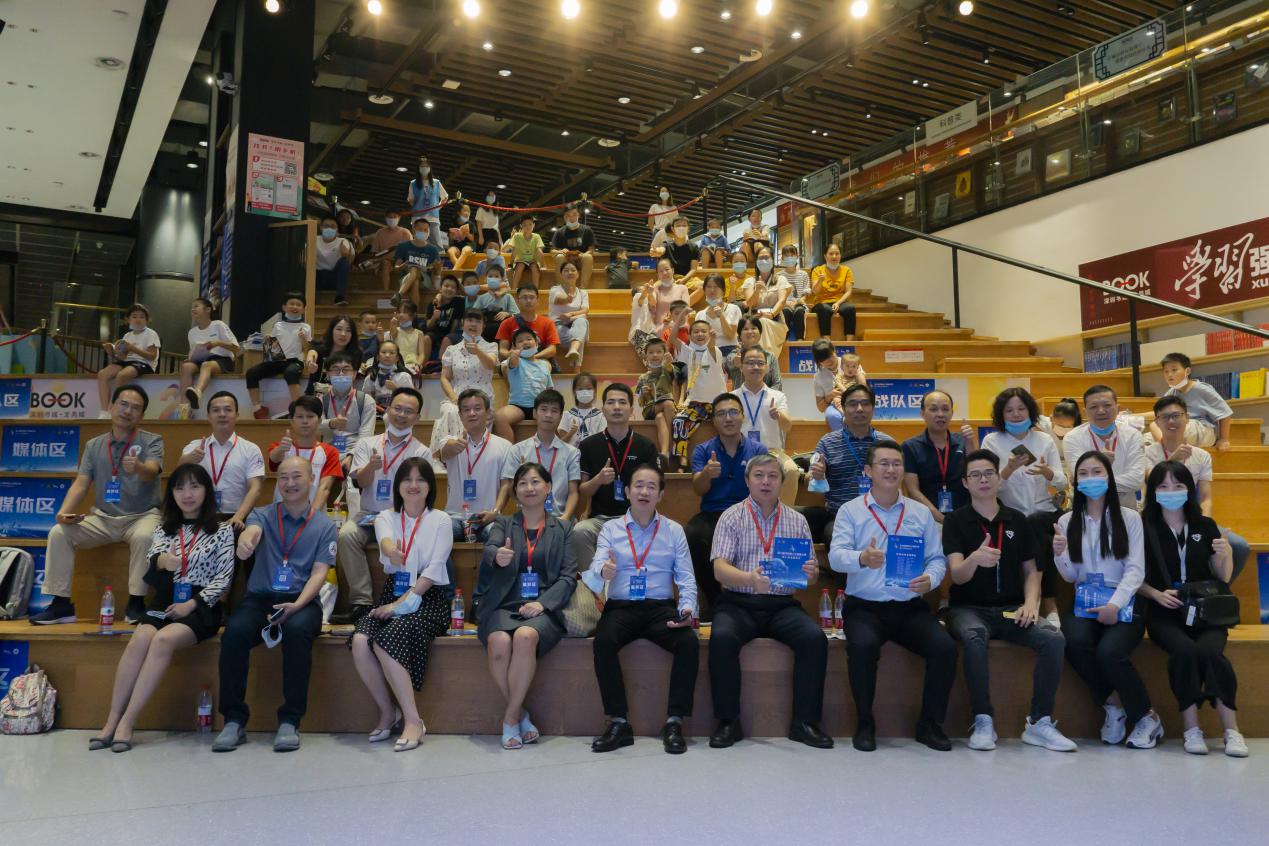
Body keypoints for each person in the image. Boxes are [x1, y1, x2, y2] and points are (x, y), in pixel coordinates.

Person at [90, 464, 236, 752]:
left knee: (162, 640)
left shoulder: (222, 530)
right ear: (172, 494)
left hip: (201, 604)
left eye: (194, 486)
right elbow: (153, 563)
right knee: (139, 639)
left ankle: (127, 722)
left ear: (206, 491)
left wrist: (191, 604)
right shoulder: (164, 528)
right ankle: (111, 719)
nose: (187, 494)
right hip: (166, 599)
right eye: (180, 488)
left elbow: (224, 579)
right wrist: (163, 562)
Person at [943, 450, 1076, 753]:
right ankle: (983, 719)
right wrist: (974, 559)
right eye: (975, 475)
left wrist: (1031, 604)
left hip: (1010, 609)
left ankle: (1039, 722)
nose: (983, 479)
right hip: (967, 608)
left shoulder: (1017, 520)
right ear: (965, 482)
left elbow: (1032, 571)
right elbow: (957, 576)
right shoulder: (955, 521)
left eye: (989, 473)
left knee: (1053, 639)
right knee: (974, 637)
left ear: (997, 477)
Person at [828, 440, 956, 752]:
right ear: (868, 470)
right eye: (883, 463)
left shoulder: (920, 513)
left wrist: (931, 579)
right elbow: (835, 557)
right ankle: (865, 722)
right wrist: (861, 558)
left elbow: (936, 559)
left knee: (944, 648)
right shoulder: (850, 511)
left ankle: (929, 724)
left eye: (897, 464)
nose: (891, 469)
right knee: (862, 647)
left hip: (909, 607)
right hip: (864, 608)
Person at [213, 456, 338, 753]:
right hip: (261, 599)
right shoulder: (262, 514)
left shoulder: (324, 525)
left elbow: (319, 573)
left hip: (302, 601)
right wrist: (246, 541)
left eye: (297, 476)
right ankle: (233, 720)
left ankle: (290, 721)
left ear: (311, 480)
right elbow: (252, 531)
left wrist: (297, 605)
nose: (290, 483)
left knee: (296, 631)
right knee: (234, 632)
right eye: (283, 477)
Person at [707, 453, 831, 748]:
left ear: (782, 482)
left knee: (814, 638)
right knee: (721, 638)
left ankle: (804, 723)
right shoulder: (731, 516)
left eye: (773, 476)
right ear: (747, 480)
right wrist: (749, 579)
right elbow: (719, 569)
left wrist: (812, 573)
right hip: (738, 603)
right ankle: (728, 722)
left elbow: (810, 577)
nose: (766, 482)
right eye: (759, 475)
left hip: (781, 605)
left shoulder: (797, 521)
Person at [584, 463, 698, 754]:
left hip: (661, 608)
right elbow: (596, 567)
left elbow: (686, 577)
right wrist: (603, 571)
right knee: (603, 641)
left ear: (661, 494)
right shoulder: (611, 529)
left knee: (688, 641)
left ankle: (674, 722)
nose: (644, 492)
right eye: (638, 485)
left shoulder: (674, 530)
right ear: (627, 491)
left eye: (651, 487)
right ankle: (618, 723)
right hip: (621, 608)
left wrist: (687, 609)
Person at [1138, 460, 1247, 757]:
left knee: (1211, 652)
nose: (1171, 491)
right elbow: (1132, 575)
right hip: (1164, 612)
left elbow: (1223, 577)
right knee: (1185, 652)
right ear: (1153, 491)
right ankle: (1191, 728)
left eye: (1178, 485)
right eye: (1163, 486)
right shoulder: (1143, 527)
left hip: (1205, 612)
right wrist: (1156, 595)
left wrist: (1225, 554)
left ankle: (1232, 730)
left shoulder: (1204, 525)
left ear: (1189, 489)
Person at [1053, 450, 1160, 749]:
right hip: (1086, 599)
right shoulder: (1067, 520)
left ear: (1109, 477)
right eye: (1083, 474)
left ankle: (1147, 717)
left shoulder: (1130, 518)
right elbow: (1070, 576)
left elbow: (1135, 570)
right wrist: (1059, 553)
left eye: (1097, 472)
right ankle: (1113, 705)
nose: (1091, 479)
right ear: (1075, 481)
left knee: (1110, 652)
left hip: (1124, 599)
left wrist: (1115, 604)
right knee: (1072, 641)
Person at [34, 385, 163, 626]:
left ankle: (136, 603)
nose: (128, 411)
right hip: (103, 518)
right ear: (111, 406)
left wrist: (138, 467)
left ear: (142, 415)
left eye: (135, 408)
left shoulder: (152, 441)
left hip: (142, 516)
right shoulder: (94, 445)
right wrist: (63, 512)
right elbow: (81, 484)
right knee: (59, 532)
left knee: (146, 536)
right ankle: (61, 604)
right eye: (123, 404)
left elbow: (152, 471)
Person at [350, 457, 453, 752]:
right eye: (407, 479)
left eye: (421, 479)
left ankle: (413, 720)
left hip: (429, 596)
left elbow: (435, 568)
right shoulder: (386, 516)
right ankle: (388, 712)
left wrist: (404, 603)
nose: (413, 485)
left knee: (387, 638)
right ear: (398, 485)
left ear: (430, 486)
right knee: (360, 640)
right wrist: (391, 552)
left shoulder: (441, 520)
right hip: (394, 591)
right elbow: (385, 541)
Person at [480, 462, 578, 749]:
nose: (529, 488)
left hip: (544, 606)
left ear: (548, 488)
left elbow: (568, 576)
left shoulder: (563, 528)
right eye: (522, 483)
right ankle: (521, 714)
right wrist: (497, 555)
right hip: (505, 601)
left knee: (525, 636)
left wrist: (542, 604)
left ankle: (510, 718)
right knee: (498, 641)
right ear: (515, 491)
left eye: (535, 482)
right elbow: (489, 548)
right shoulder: (504, 523)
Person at [334, 387, 432, 624]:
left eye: (408, 411)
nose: (401, 415)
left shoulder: (421, 452)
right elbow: (360, 483)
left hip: (403, 518)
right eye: (397, 408)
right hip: (369, 515)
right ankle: (361, 602)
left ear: (417, 417)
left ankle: (402, 601)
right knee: (346, 534)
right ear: (387, 409)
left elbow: (422, 494)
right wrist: (371, 467)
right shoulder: (366, 444)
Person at [981, 386, 1068, 623]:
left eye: (1021, 408)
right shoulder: (992, 441)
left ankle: (1037, 600)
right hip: (1010, 514)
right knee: (1040, 537)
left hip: (1044, 511)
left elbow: (1062, 482)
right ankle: (1048, 604)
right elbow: (987, 486)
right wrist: (1008, 469)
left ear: (1030, 411)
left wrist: (1048, 472)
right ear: (1001, 415)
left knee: (1036, 524)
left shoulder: (1044, 440)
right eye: (1009, 410)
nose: (1016, 414)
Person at [683, 394, 768, 618]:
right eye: (721, 414)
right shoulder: (703, 450)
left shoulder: (758, 450)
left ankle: (753, 600)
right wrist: (706, 474)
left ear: (742, 416)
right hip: (713, 513)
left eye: (733, 412)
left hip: (749, 512)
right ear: (713, 421)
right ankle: (715, 600)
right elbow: (698, 489)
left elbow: (765, 488)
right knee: (693, 534)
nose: (728, 418)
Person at [573, 383, 660, 569]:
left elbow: (656, 488)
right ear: (603, 409)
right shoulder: (588, 445)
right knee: (579, 532)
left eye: (622, 402)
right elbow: (583, 490)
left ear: (631, 410)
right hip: (599, 519)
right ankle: (594, 582)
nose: (617, 407)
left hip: (635, 517)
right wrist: (598, 480)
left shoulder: (645, 446)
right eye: (611, 402)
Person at [804, 383, 893, 544]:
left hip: (881, 514)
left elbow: (896, 483)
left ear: (873, 408)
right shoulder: (827, 442)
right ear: (843, 408)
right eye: (853, 404)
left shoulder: (887, 443)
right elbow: (810, 479)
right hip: (840, 516)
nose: (859, 409)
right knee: (835, 536)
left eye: (865, 404)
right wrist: (817, 476)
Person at [178, 391, 265, 527]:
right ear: (209, 417)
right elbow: (178, 474)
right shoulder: (195, 447)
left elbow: (255, 488)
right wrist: (189, 459)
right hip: (200, 517)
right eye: (216, 410)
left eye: (228, 410)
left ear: (237, 415)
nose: (222, 414)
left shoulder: (251, 449)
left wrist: (238, 518)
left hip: (237, 517)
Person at [438, 388, 513, 544]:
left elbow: (506, 484)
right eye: (466, 410)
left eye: (477, 408)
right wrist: (453, 446)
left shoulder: (504, 446)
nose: (472, 413)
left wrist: (495, 512)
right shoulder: (449, 441)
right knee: (439, 531)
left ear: (488, 413)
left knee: (498, 534)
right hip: (455, 517)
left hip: (487, 518)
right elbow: (444, 452)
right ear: (460, 415)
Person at [500, 389, 581, 523]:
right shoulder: (517, 450)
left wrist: (564, 519)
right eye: (543, 409)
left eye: (554, 411)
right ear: (534, 413)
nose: (548, 415)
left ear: (560, 416)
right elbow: (510, 489)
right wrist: (522, 478)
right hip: (527, 520)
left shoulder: (572, 453)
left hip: (560, 518)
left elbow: (573, 492)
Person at [733, 345, 799, 505]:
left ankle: (784, 515)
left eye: (760, 363)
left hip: (772, 452)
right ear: (741, 367)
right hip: (741, 451)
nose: (755, 367)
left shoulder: (777, 396)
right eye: (750, 363)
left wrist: (778, 416)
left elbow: (787, 427)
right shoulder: (732, 398)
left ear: (767, 368)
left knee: (791, 470)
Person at [1062, 384, 1146, 505]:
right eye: (1094, 407)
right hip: (1087, 508)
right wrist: (1100, 462)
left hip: (1125, 509)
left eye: (1107, 405)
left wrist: (1094, 482)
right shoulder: (1072, 438)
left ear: (1118, 408)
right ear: (1085, 412)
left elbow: (1136, 481)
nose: (1101, 411)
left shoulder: (1133, 436)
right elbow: (1081, 480)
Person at [902, 390, 976, 524]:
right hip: (926, 519)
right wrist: (942, 520)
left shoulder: (963, 441)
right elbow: (913, 491)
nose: (940, 414)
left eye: (945, 409)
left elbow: (975, 476)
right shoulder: (910, 447)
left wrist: (970, 443)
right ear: (922, 414)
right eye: (933, 409)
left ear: (952, 413)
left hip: (965, 518)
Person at [434, 309, 498, 449]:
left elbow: (490, 365)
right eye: (470, 320)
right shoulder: (451, 350)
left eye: (478, 321)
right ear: (463, 323)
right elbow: (445, 377)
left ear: (483, 326)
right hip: (457, 396)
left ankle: (469, 453)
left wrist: (478, 351)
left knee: (473, 412)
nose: (473, 324)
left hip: (482, 398)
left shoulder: (491, 346)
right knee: (450, 410)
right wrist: (453, 397)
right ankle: (446, 453)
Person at [266, 396, 344, 510]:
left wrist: (311, 516)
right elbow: (273, 459)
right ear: (292, 421)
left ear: (319, 421)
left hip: (314, 514)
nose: (305, 421)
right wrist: (280, 449)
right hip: (281, 515)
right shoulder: (281, 447)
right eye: (299, 417)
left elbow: (325, 488)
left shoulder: (330, 452)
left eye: (310, 416)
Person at [670, 319, 725, 468]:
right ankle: (682, 459)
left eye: (704, 331)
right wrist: (682, 315)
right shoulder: (688, 352)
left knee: (728, 424)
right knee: (678, 421)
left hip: (717, 404)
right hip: (696, 404)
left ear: (709, 334)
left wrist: (713, 340)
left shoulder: (715, 350)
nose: (700, 334)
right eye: (696, 331)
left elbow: (711, 346)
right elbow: (672, 338)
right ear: (690, 335)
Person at [247, 292, 310, 419]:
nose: (295, 307)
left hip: (294, 361)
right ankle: (257, 408)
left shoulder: (306, 327)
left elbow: (307, 349)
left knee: (290, 373)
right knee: (251, 373)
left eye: (299, 305)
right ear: (284, 307)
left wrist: (303, 339)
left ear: (303, 309)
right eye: (292, 304)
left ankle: (298, 409)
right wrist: (268, 340)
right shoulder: (278, 325)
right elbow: (272, 348)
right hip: (277, 360)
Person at [1152, 352, 1233, 451]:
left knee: (1177, 427)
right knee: (1148, 435)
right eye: (1166, 371)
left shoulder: (1202, 389)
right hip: (1181, 425)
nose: (1169, 374)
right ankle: (1166, 449)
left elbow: (1225, 413)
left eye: (1174, 370)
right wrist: (1135, 416)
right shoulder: (1171, 392)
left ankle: (1167, 448)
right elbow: (1160, 413)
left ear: (1187, 371)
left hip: (1203, 428)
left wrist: (1224, 439)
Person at [97, 303, 161, 418]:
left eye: (142, 317)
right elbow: (122, 358)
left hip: (144, 363)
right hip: (127, 362)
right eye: (134, 316)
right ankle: (104, 411)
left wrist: (132, 348)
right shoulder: (127, 335)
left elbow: (152, 356)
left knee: (121, 375)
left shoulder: (151, 334)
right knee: (102, 374)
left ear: (147, 320)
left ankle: (113, 409)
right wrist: (111, 352)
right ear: (128, 319)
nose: (138, 319)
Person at [316, 352, 377, 471]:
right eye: (335, 369)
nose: (340, 373)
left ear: (354, 374)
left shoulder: (366, 401)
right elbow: (315, 427)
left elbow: (366, 436)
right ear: (327, 374)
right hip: (328, 454)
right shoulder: (321, 401)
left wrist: (351, 456)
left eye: (346, 369)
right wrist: (331, 423)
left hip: (356, 454)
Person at [495, 327, 555, 441]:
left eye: (529, 339)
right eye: (520, 341)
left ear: (536, 343)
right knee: (500, 417)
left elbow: (549, 389)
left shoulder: (545, 364)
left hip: (539, 407)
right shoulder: (514, 361)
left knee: (556, 417)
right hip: (517, 407)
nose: (525, 342)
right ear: (514, 347)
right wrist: (513, 355)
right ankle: (508, 450)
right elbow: (512, 362)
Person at [181, 297, 239, 411]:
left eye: (196, 306)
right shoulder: (192, 332)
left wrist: (217, 343)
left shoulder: (219, 325)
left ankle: (197, 393)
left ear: (208, 309)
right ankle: (184, 406)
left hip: (222, 360)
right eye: (192, 307)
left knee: (206, 365)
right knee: (186, 366)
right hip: (200, 360)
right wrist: (190, 358)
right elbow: (193, 352)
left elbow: (236, 348)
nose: (193, 309)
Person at [635, 337, 680, 466]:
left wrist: (668, 364)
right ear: (646, 356)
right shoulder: (643, 377)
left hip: (664, 412)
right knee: (668, 404)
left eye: (659, 352)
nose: (655, 355)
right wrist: (643, 393)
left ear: (664, 354)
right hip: (650, 409)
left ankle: (665, 453)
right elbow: (640, 402)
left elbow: (671, 370)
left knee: (660, 417)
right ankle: (674, 444)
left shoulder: (668, 369)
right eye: (651, 352)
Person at [740, 247, 790, 355]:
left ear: (772, 260)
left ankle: (764, 358)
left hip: (776, 322)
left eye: (767, 258)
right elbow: (750, 304)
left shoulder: (781, 279)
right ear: (756, 262)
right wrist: (757, 290)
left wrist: (771, 315)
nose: (764, 261)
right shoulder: (749, 281)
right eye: (760, 258)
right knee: (760, 323)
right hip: (754, 321)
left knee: (763, 322)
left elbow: (782, 300)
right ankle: (766, 359)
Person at [495, 284, 560, 360]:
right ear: (517, 301)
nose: (528, 301)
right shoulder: (506, 323)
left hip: (538, 361)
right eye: (524, 297)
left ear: (537, 301)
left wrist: (533, 358)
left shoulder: (548, 322)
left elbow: (552, 349)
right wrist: (511, 354)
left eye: (532, 297)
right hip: (516, 361)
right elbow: (502, 350)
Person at [807, 242, 856, 339]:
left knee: (850, 308)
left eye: (837, 253)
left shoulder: (847, 270)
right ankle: (827, 342)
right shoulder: (817, 270)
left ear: (840, 255)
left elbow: (848, 291)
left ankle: (849, 343)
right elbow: (815, 291)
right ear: (825, 256)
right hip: (821, 302)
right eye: (831, 254)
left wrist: (838, 303)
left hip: (840, 301)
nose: (834, 256)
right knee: (825, 309)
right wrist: (820, 281)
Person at [304, 315, 362, 395]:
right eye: (339, 329)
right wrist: (310, 364)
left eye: (348, 330)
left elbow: (351, 380)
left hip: (342, 396)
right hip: (314, 397)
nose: (343, 334)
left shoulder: (356, 353)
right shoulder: (319, 347)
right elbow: (312, 354)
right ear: (332, 331)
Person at [549, 259, 591, 367]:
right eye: (566, 270)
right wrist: (568, 299)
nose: (570, 272)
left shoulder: (583, 292)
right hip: (558, 327)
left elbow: (585, 309)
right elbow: (559, 300)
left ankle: (573, 349)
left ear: (578, 274)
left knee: (581, 321)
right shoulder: (555, 290)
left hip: (576, 325)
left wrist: (571, 314)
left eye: (573, 270)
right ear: (561, 274)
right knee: (579, 338)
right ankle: (576, 369)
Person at [724, 317, 783, 391]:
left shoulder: (770, 356)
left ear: (760, 333)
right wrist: (734, 362)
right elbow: (728, 364)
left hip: (766, 398)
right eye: (745, 329)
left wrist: (766, 395)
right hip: (739, 398)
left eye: (753, 328)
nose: (750, 331)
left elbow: (777, 384)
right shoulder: (734, 355)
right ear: (739, 336)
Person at [392, 219, 441, 307]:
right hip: (405, 278)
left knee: (414, 269)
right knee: (415, 280)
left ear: (429, 232)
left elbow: (437, 272)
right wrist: (402, 267)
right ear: (413, 229)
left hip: (425, 280)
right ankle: (415, 313)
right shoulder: (403, 246)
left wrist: (437, 269)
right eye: (420, 229)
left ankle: (399, 295)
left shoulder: (433, 250)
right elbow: (396, 269)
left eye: (426, 230)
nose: (423, 232)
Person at [407, 154, 448, 251]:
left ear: (430, 168)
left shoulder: (436, 182)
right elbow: (410, 200)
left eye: (426, 166)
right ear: (418, 168)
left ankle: (438, 258)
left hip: (433, 217)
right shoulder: (413, 183)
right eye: (422, 166)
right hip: (418, 218)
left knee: (436, 244)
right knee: (418, 242)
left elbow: (445, 197)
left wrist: (437, 208)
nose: (424, 168)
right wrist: (418, 207)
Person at [360, 340, 415, 410]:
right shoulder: (371, 377)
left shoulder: (404, 376)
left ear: (397, 358)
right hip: (376, 411)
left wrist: (395, 389)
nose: (387, 355)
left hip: (399, 411)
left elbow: (411, 398)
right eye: (383, 352)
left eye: (392, 353)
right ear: (378, 357)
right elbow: (365, 397)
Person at [421, 275, 463, 365]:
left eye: (453, 287)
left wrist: (449, 336)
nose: (449, 289)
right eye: (446, 286)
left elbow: (455, 323)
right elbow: (428, 326)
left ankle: (440, 366)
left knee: (447, 339)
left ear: (456, 291)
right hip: (435, 332)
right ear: (440, 288)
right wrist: (434, 317)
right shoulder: (433, 303)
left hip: (450, 332)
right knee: (426, 338)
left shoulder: (458, 302)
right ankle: (423, 366)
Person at [699, 273, 741, 361]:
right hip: (709, 352)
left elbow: (730, 335)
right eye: (708, 287)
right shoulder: (700, 314)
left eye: (716, 287)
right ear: (704, 290)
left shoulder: (733, 308)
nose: (712, 290)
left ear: (723, 291)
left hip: (730, 350)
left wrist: (721, 315)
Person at [550, 205, 596, 283]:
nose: (571, 218)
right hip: (566, 260)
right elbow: (552, 250)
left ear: (578, 215)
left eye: (574, 214)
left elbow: (591, 249)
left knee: (588, 257)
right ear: (564, 217)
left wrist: (584, 254)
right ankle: (561, 286)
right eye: (568, 215)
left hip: (580, 260)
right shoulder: (559, 232)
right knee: (559, 257)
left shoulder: (587, 230)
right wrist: (560, 251)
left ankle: (583, 287)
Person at [367, 212, 412, 289]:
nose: (392, 219)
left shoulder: (405, 232)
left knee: (397, 250)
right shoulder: (380, 232)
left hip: (402, 260)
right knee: (385, 262)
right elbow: (375, 252)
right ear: (385, 218)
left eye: (394, 217)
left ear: (399, 218)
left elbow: (409, 250)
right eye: (390, 217)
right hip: (385, 261)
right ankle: (386, 291)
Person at [315, 217, 353, 307]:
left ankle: (339, 297)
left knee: (344, 262)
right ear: (321, 228)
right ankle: (310, 298)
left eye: (332, 226)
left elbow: (346, 254)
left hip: (334, 278)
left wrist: (344, 252)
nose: (329, 229)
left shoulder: (342, 241)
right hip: (317, 277)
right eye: (326, 226)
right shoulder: (314, 239)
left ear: (337, 229)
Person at [775, 244, 810, 342]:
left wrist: (800, 300)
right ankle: (784, 340)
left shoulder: (803, 274)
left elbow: (806, 292)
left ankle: (800, 340)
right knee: (785, 311)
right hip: (784, 304)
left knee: (800, 311)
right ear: (782, 258)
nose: (789, 258)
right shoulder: (778, 276)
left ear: (797, 256)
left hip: (799, 303)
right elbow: (776, 295)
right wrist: (785, 302)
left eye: (792, 255)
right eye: (786, 256)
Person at [651, 216, 702, 282]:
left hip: (687, 279)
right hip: (669, 279)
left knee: (700, 285)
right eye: (678, 226)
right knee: (657, 286)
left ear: (688, 229)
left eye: (684, 226)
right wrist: (656, 251)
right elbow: (661, 250)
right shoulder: (667, 245)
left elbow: (693, 269)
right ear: (672, 229)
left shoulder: (694, 246)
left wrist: (684, 279)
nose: (681, 228)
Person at [560, 372, 604, 446]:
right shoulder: (567, 415)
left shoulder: (601, 416)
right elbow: (561, 444)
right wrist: (571, 433)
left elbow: (602, 442)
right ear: (574, 392)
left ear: (595, 392)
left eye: (589, 388)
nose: (584, 392)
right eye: (580, 389)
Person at [474, 267, 517, 343]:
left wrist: (507, 314)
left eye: (496, 276)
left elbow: (517, 314)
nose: (493, 279)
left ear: (502, 279)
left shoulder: (508, 297)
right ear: (485, 279)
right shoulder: (481, 298)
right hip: (485, 330)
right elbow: (472, 314)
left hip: (503, 330)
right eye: (490, 276)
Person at [385, 301, 424, 374]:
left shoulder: (419, 333)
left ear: (414, 315)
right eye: (399, 312)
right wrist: (392, 325)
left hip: (412, 365)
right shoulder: (395, 331)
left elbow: (421, 354)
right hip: (396, 365)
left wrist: (418, 364)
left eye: (405, 312)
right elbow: (392, 335)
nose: (401, 315)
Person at [507, 217, 546, 289]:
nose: (528, 227)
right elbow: (514, 251)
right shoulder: (517, 236)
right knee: (520, 266)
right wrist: (510, 265)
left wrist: (543, 265)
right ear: (521, 226)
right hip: (521, 260)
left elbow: (539, 251)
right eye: (525, 225)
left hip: (533, 261)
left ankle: (535, 290)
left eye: (530, 224)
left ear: (533, 225)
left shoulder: (536, 236)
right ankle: (513, 289)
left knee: (534, 268)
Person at [446, 202, 477, 268]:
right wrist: (452, 236)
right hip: (456, 246)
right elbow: (450, 238)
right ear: (459, 212)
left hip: (468, 245)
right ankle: (460, 269)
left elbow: (472, 239)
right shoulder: (453, 223)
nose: (467, 213)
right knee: (450, 251)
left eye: (468, 211)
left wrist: (467, 234)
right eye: (465, 210)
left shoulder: (471, 224)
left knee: (465, 251)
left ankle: (456, 270)